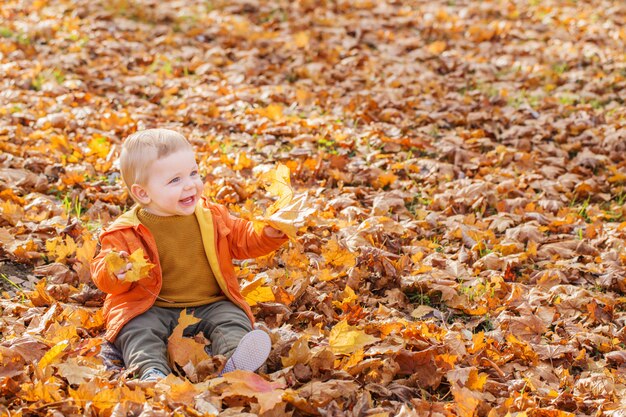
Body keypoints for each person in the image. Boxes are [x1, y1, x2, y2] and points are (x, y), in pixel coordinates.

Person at [91, 128, 288, 382]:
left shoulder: (210, 216)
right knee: (137, 330)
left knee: (231, 319)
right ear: (143, 193)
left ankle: (234, 362)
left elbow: (243, 238)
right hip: (152, 307)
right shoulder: (125, 231)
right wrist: (114, 271)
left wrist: (269, 233)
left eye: (194, 173)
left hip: (210, 302)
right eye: (175, 180)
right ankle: (151, 370)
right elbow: (102, 272)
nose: (191, 185)